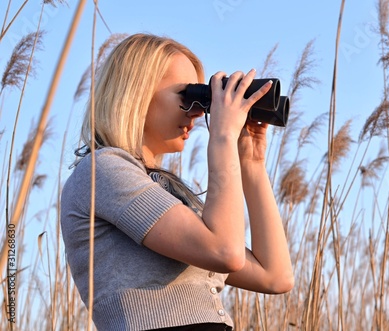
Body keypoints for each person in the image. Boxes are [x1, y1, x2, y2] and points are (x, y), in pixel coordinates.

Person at [60, 33, 294, 331]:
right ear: (137, 93)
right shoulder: (101, 171)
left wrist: (252, 163)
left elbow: (275, 276)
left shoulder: (164, 192)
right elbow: (227, 252)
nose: (198, 111)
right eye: (187, 95)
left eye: (202, 99)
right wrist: (222, 137)